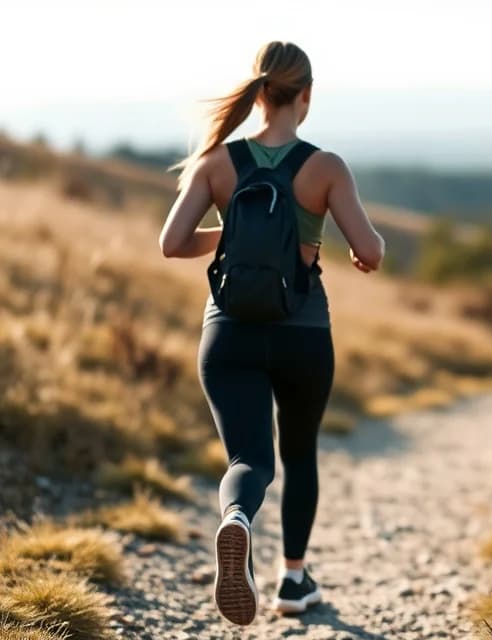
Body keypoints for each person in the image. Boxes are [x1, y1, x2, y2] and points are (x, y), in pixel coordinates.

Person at [158, 41, 385, 625]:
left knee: (249, 458)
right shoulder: (325, 167)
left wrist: (236, 230)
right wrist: (314, 239)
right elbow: (370, 250)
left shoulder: (216, 162)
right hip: (302, 333)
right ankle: (293, 579)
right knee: (300, 452)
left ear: (258, 92)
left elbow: (172, 243)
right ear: (305, 94)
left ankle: (236, 518)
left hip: (227, 334)